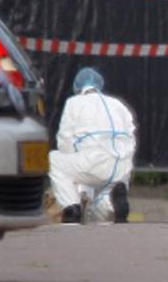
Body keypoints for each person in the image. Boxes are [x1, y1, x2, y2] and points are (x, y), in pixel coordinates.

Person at [49, 67, 138, 224]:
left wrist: (75, 161)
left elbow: (64, 141)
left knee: (53, 159)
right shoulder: (119, 105)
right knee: (102, 207)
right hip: (122, 168)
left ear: (77, 88)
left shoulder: (74, 103)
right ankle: (113, 202)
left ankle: (72, 208)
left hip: (93, 162)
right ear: (100, 86)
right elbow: (131, 137)